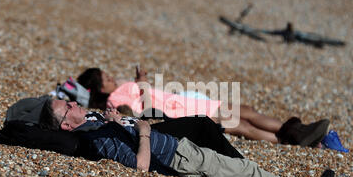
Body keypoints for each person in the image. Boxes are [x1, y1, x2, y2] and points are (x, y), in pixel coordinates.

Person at [39, 99, 353, 177]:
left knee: (248, 170)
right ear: (66, 126)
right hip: (177, 156)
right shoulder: (94, 138)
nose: (74, 104)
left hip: (179, 148)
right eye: (67, 106)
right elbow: (140, 166)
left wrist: (124, 122)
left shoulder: (99, 126)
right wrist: (143, 132)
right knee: (248, 171)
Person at [76, 67, 330, 147]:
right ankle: (291, 138)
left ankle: (295, 133)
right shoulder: (114, 102)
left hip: (183, 102)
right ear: (99, 87)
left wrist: (140, 80)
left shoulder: (119, 91)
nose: (110, 77)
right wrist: (141, 84)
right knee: (240, 123)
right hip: (180, 110)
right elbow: (146, 110)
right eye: (105, 77)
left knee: (246, 112)